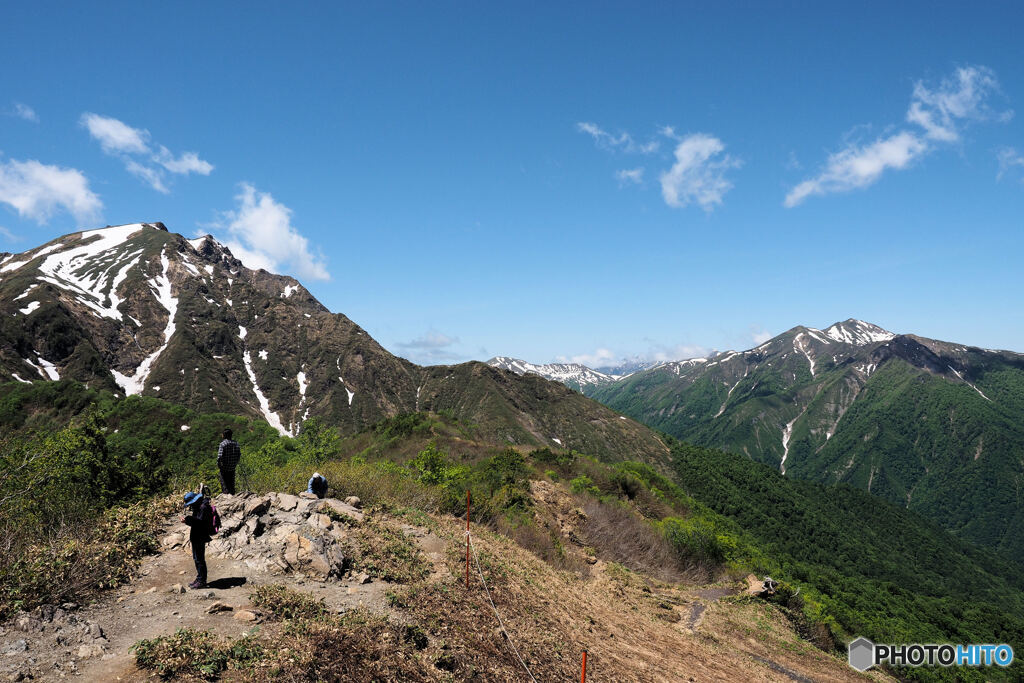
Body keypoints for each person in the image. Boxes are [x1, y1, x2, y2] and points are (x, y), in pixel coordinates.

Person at [182, 492, 214, 589]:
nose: (190, 506)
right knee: (197, 559)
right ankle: (199, 578)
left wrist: (187, 520)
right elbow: (198, 522)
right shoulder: (200, 507)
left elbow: (199, 523)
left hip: (200, 537)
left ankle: (201, 581)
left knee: (199, 559)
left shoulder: (203, 508)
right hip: (198, 536)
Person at [217, 429, 242, 495]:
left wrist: (220, 466)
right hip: (232, 467)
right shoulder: (236, 444)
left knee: (224, 484)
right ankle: (233, 495)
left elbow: (220, 457)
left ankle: (226, 496)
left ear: (224, 435)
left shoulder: (223, 444)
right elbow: (239, 455)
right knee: (231, 484)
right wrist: (235, 463)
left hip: (224, 468)